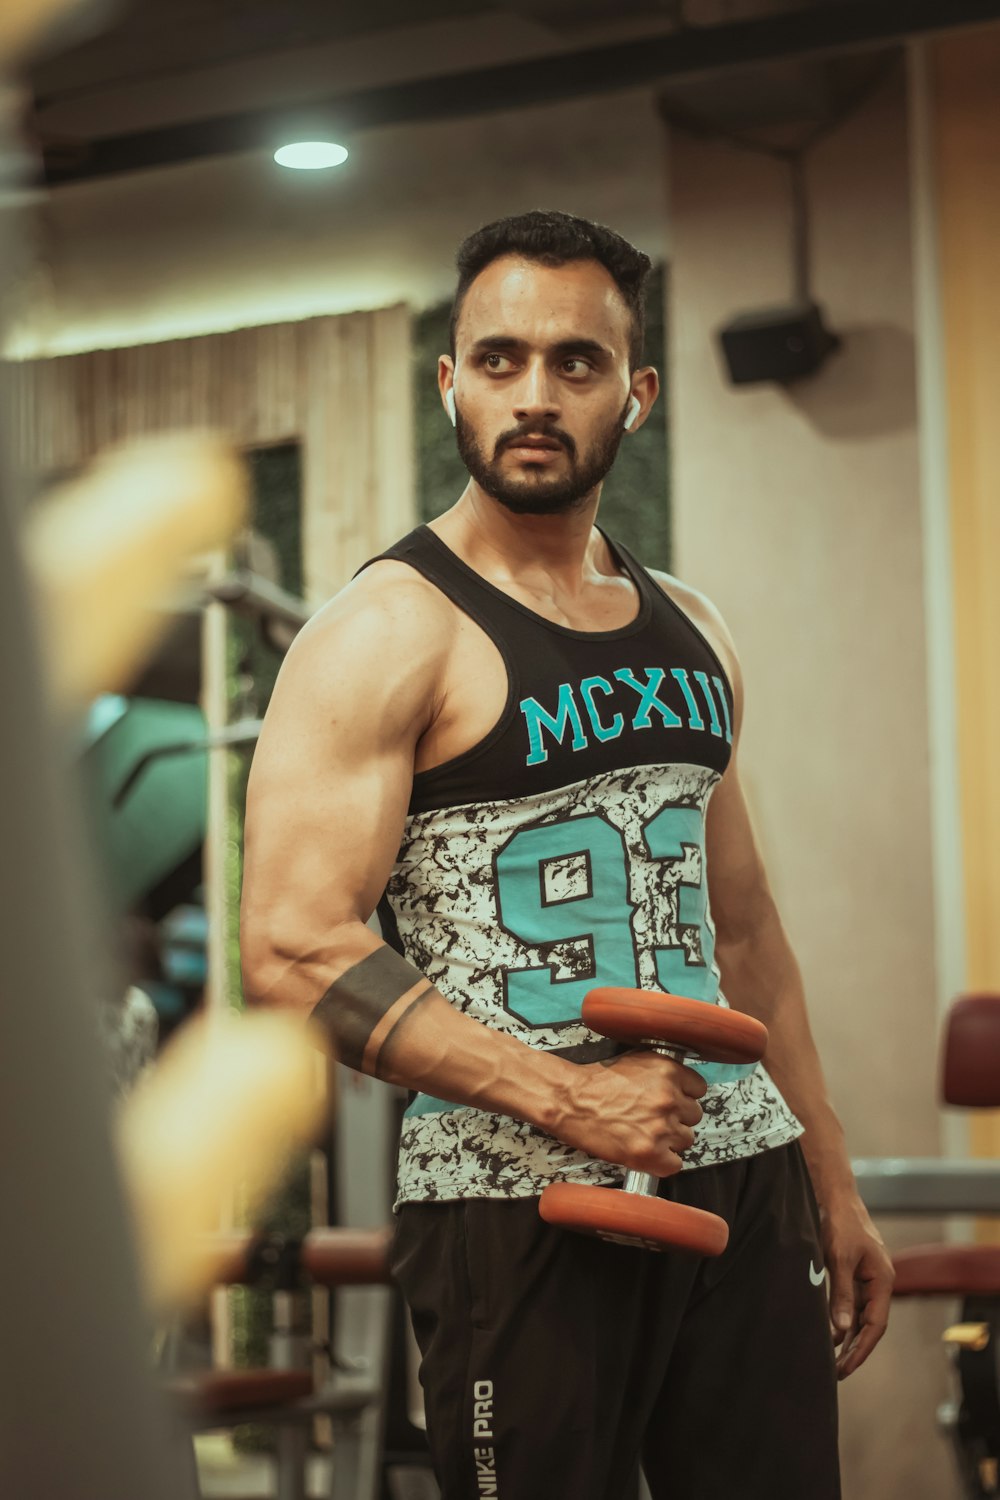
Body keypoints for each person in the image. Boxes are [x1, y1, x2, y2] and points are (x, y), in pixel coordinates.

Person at [241, 209, 893, 1500]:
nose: (534, 395)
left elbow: (746, 930)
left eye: (576, 364)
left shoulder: (693, 627)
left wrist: (828, 1168)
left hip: (738, 1184)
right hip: (511, 1212)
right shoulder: (384, 632)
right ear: (451, 382)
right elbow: (292, 947)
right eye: (499, 359)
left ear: (636, 392)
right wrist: (569, 1099)